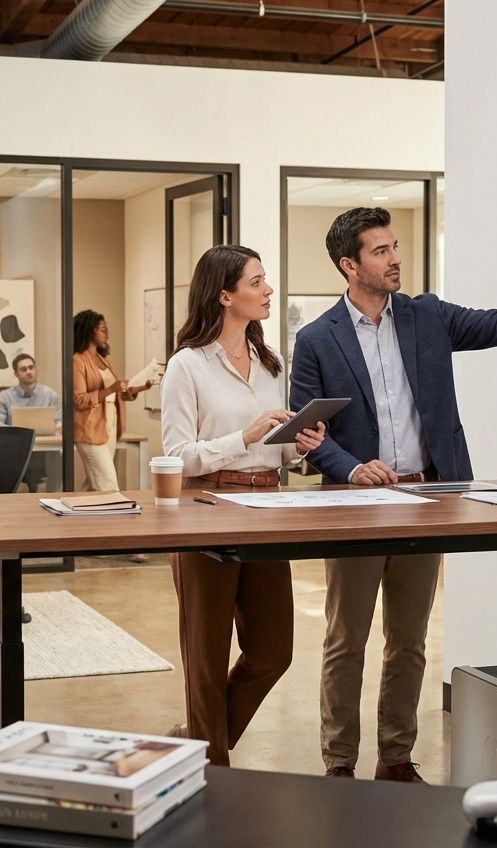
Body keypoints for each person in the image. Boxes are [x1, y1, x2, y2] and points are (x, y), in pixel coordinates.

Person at [290, 207, 497, 783]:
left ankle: (395, 757)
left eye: (395, 247)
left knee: (410, 640)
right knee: (347, 640)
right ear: (349, 265)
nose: (395, 259)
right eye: (381, 251)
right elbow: (307, 432)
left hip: (428, 499)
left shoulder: (427, 317)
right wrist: (350, 467)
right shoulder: (316, 339)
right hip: (353, 506)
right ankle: (339, 763)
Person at [161, 244, 325, 767]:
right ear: (224, 294)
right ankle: (213, 770)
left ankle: (199, 744)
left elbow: (272, 449)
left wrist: (297, 446)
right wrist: (243, 435)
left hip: (267, 504)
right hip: (206, 504)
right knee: (206, 657)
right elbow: (177, 457)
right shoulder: (186, 366)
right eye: (257, 282)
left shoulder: (271, 363)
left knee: (274, 650)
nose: (268, 289)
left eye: (265, 280)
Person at [71, 310, 148, 494]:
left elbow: (114, 396)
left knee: (94, 484)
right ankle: (115, 522)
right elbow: (79, 400)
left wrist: (138, 388)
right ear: (89, 331)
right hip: (89, 430)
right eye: (103, 329)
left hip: (109, 428)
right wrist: (111, 389)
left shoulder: (102, 360)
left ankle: (84, 521)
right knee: (108, 485)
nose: (107, 334)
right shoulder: (77, 361)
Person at [0, 353, 62, 427]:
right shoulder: (4, 397)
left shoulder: (50, 395)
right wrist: (16, 431)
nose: (28, 372)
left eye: (31, 367)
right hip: (15, 438)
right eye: (23, 369)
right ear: (16, 374)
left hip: (46, 438)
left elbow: (59, 422)